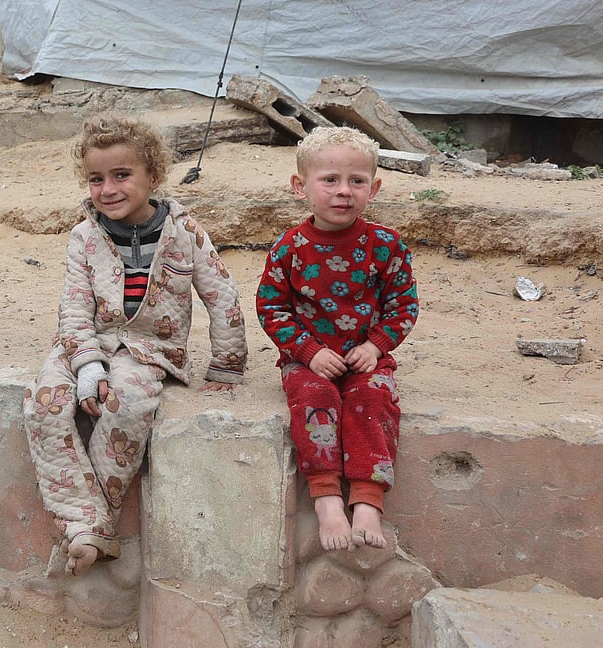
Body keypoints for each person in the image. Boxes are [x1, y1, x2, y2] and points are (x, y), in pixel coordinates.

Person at [22, 117, 248, 576]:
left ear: (153, 176)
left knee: (124, 406)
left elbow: (222, 294)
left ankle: (89, 528)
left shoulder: (185, 232)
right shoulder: (84, 237)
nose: (108, 189)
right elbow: (74, 308)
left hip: (148, 350)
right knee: (43, 406)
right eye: (96, 178)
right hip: (84, 343)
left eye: (121, 175)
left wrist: (227, 364)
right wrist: (86, 366)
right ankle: (89, 522)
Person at [255, 126, 418, 551]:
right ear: (300, 186)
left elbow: (404, 305)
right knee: (315, 400)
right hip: (307, 362)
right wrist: (308, 353)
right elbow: (272, 308)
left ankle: (367, 501)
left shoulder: (387, 246)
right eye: (330, 180)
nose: (343, 191)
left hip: (367, 359)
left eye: (356, 181)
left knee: (374, 399)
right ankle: (327, 499)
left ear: (374, 187)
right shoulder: (288, 249)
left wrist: (375, 347)